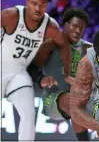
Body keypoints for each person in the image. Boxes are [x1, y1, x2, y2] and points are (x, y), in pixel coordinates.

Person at [0, 0, 71, 140]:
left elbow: (64, 45)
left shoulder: (50, 26)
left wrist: (67, 74)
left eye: (42, 4)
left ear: (47, 5)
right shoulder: (11, 15)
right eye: (34, 3)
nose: (38, 8)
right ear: (27, 2)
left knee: (29, 116)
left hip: (18, 74)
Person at [30, 8, 93, 141]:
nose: (78, 31)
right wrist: (41, 78)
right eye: (75, 26)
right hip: (52, 99)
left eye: (82, 28)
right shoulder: (50, 45)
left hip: (82, 98)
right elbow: (31, 68)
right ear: (65, 25)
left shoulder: (89, 49)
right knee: (75, 100)